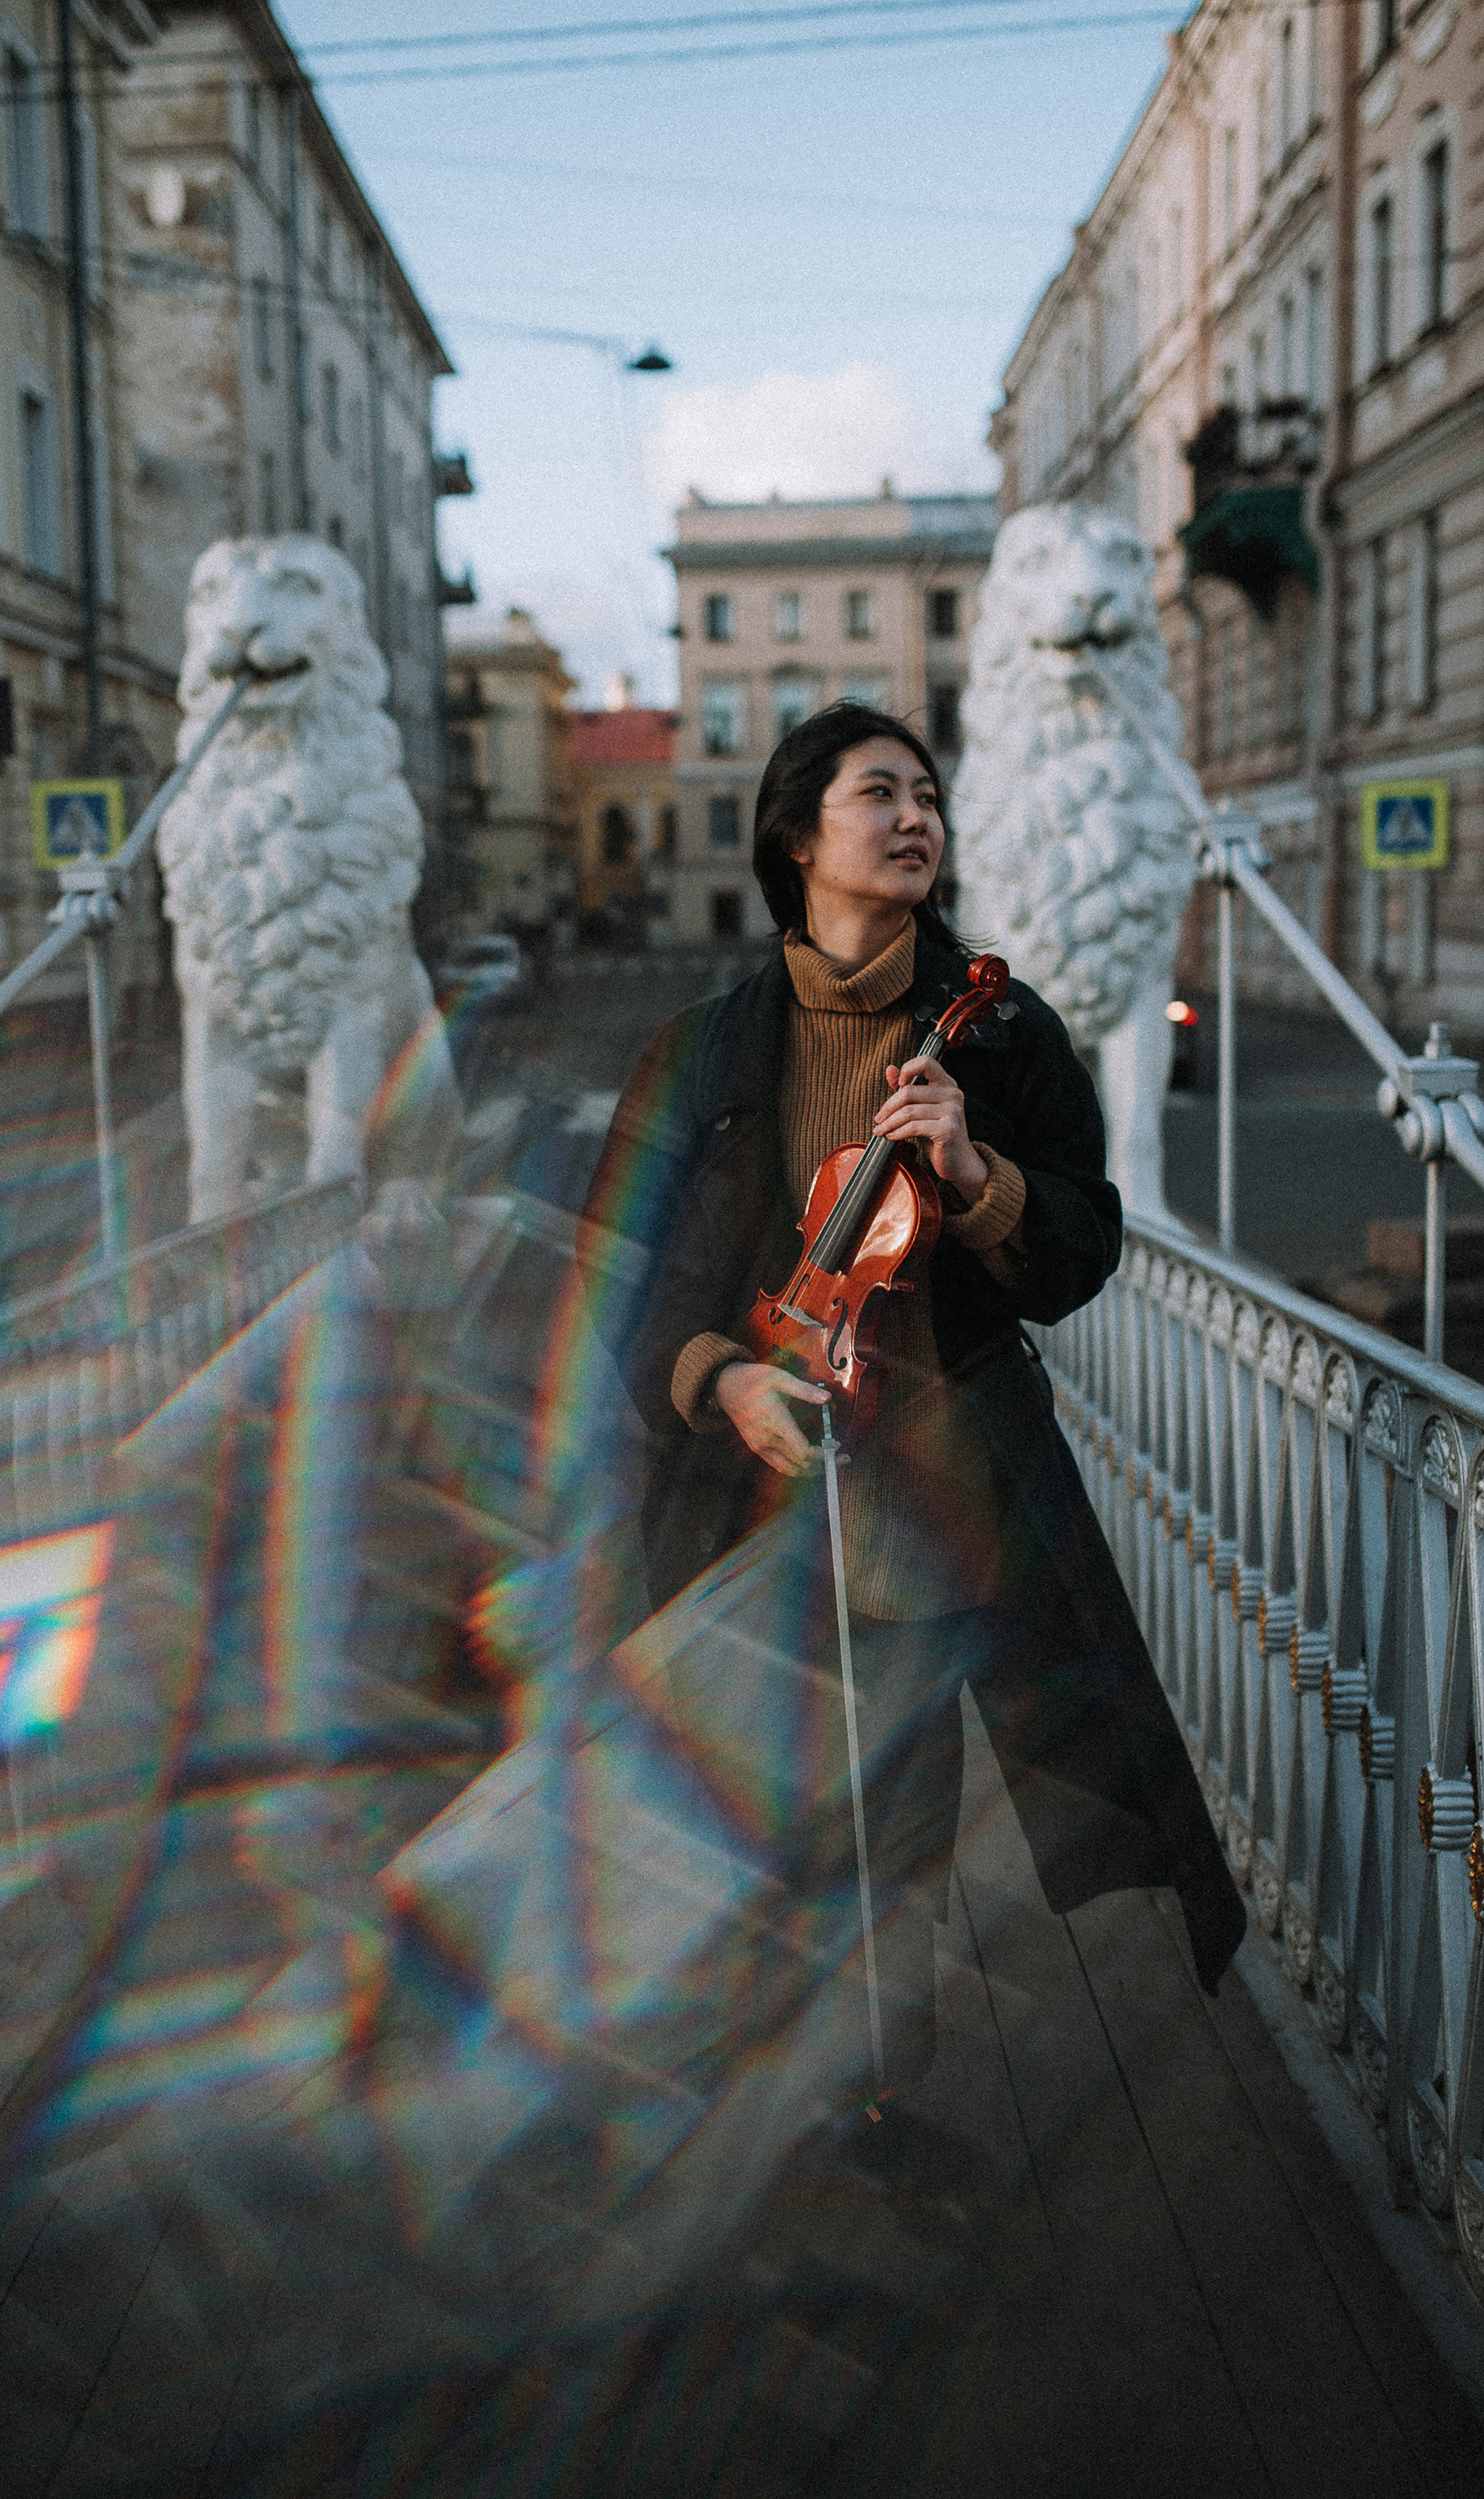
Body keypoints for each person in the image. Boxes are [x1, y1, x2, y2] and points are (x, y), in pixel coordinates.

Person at [577, 704, 1244, 2145]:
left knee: (897, 1817)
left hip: (930, 1491)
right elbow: (615, 1278)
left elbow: (1079, 1248)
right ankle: (758, 2068)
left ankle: (882, 2082)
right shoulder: (696, 1052)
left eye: (928, 792)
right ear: (794, 833)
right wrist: (722, 1377)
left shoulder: (997, 1035)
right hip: (741, 1499)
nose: (914, 813)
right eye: (876, 790)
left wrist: (975, 1169)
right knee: (751, 1801)